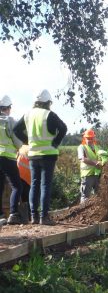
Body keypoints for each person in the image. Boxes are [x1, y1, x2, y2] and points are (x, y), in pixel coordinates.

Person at [13, 90, 67, 225]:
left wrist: (27, 141)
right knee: (45, 185)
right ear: (48, 102)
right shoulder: (49, 114)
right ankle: (44, 217)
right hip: (48, 155)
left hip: (33, 155)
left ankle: (34, 217)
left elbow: (16, 130)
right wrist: (55, 142)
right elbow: (63, 128)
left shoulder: (27, 115)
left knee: (34, 185)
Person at [0, 95, 23, 225]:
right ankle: (13, 214)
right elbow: (17, 142)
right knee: (16, 186)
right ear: (8, 108)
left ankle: (0, 215)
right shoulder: (10, 120)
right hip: (8, 157)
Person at [77, 129, 102, 203]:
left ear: (94, 138)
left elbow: (101, 158)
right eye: (88, 138)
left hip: (97, 174)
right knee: (85, 197)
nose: (90, 140)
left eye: (91, 138)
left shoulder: (97, 147)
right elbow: (82, 159)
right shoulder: (82, 147)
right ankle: (82, 213)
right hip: (87, 175)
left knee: (99, 195)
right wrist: (96, 163)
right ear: (84, 138)